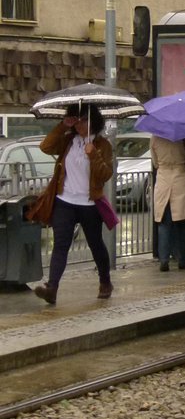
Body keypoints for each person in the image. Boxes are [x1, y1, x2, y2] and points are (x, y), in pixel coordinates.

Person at [31, 104, 114, 304]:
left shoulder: (103, 145)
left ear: (93, 121)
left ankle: (105, 281)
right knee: (60, 245)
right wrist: (62, 126)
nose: (79, 124)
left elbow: (106, 174)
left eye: (83, 120)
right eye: (76, 119)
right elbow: (46, 147)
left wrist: (93, 154)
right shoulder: (69, 140)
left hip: (89, 204)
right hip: (64, 201)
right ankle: (52, 288)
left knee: (96, 245)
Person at [151, 135, 185, 271]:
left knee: (164, 224)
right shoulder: (184, 137)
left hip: (163, 180)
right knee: (184, 224)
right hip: (181, 180)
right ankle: (183, 260)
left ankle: (164, 260)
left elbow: (155, 162)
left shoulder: (155, 137)